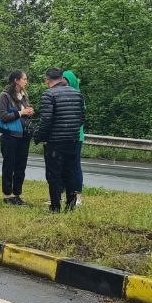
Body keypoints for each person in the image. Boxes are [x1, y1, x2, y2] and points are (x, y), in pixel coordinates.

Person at [32, 68, 85, 212]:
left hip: (55, 141)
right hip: (73, 140)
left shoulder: (48, 94)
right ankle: (71, 205)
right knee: (70, 172)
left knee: (54, 174)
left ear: (47, 79)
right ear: (61, 78)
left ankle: (55, 207)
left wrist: (39, 137)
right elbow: (82, 118)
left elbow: (46, 121)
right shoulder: (77, 94)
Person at [0, 70, 35, 205]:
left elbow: (23, 114)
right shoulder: (4, 96)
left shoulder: (24, 95)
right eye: (24, 79)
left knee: (20, 166)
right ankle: (7, 195)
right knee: (9, 166)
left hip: (23, 136)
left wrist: (29, 112)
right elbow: (4, 117)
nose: (26, 81)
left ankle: (17, 195)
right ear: (16, 80)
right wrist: (21, 112)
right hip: (10, 136)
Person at [62, 69, 85, 207]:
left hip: (76, 136)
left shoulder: (79, 97)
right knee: (61, 167)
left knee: (75, 166)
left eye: (66, 82)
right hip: (62, 136)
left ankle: (78, 197)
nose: (64, 85)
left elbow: (80, 118)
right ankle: (59, 195)